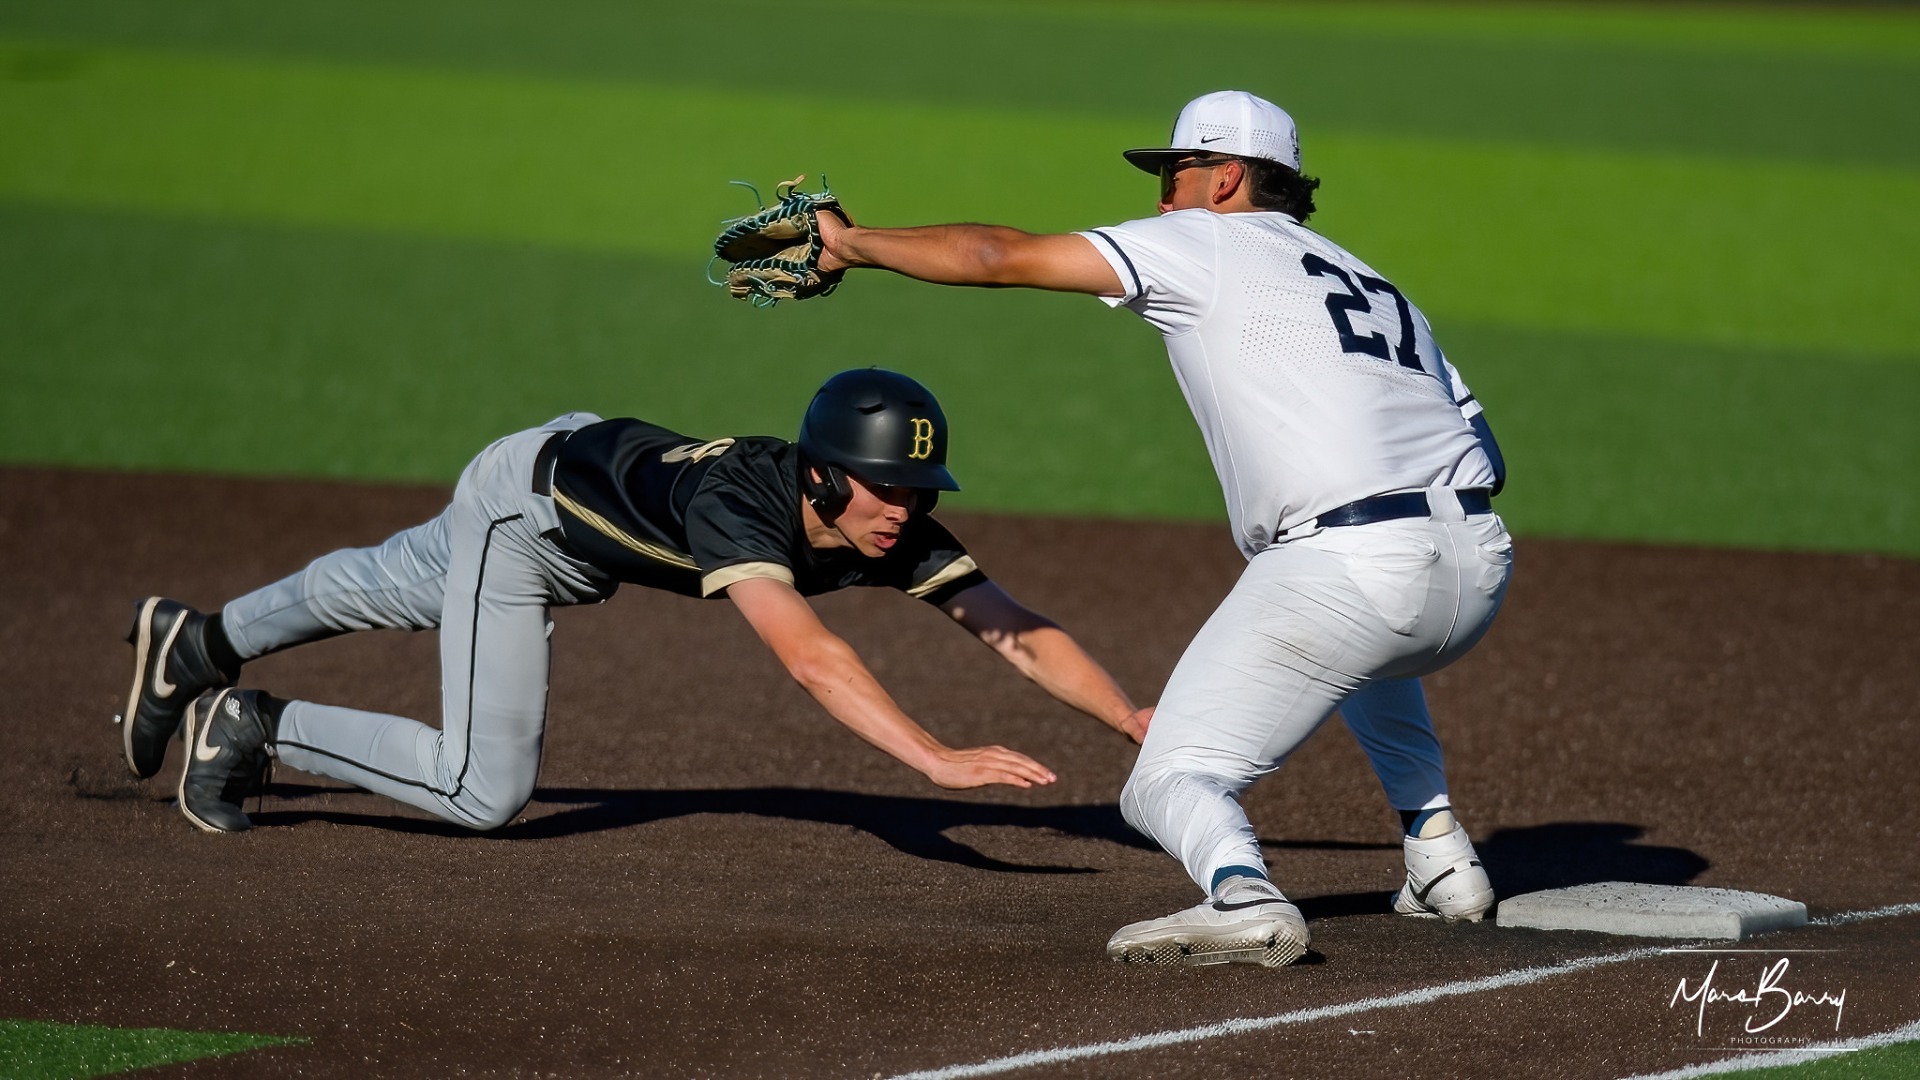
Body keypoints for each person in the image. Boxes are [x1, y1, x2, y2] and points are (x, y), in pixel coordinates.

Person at [809, 91, 1514, 966]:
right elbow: (1485, 449)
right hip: (1478, 561)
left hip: (1352, 567)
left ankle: (1242, 893)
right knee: (1368, 655)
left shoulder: (1206, 241)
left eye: (1175, 172)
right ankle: (1441, 856)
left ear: (1226, 179)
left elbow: (995, 255)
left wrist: (851, 243)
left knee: (1166, 780)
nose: (1161, 194)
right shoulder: (1374, 281)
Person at [117, 368, 1152, 834]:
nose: (906, 510)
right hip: (527, 523)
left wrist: (1126, 715)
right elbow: (810, 657)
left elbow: (1014, 629)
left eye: (920, 491)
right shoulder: (742, 510)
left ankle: (198, 641)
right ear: (821, 474)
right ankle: (251, 725)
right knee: (482, 791)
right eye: (887, 488)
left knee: (387, 585)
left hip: (559, 460)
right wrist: (932, 758)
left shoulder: (889, 526)